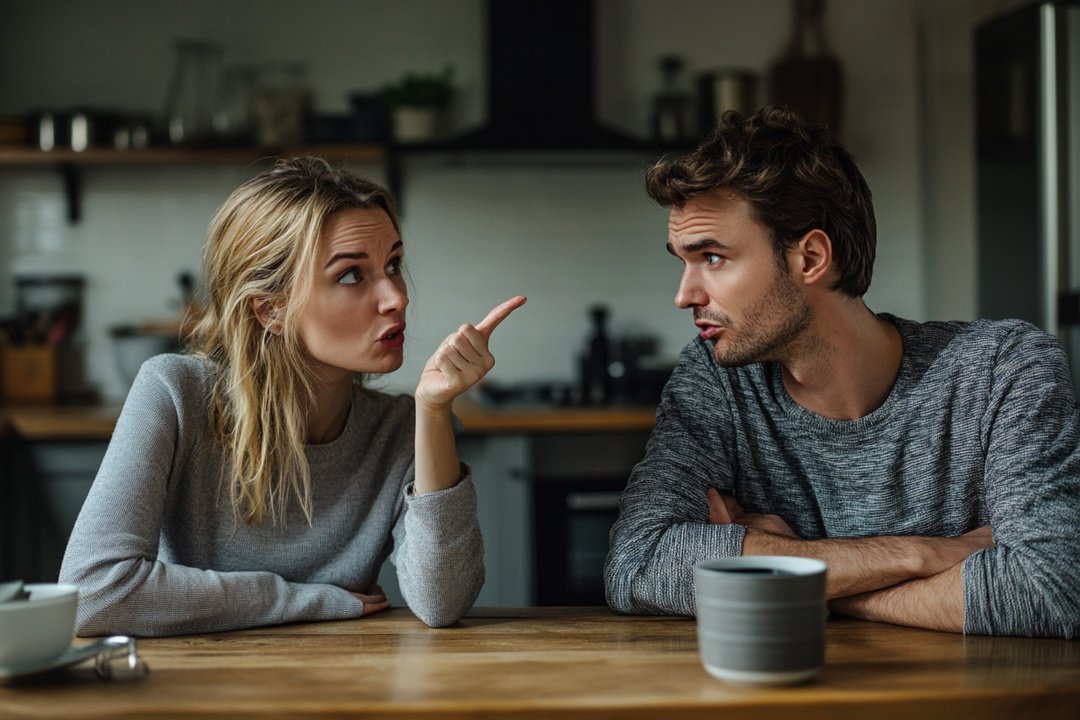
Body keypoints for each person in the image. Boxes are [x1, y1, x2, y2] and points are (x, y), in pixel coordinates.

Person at [604, 106, 1080, 638]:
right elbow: (639, 563)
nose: (684, 295)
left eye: (712, 257)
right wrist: (922, 554)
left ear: (809, 258)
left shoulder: (1002, 369)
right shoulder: (717, 380)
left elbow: (1053, 588)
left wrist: (790, 571)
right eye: (683, 261)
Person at [60, 157, 525, 636]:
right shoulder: (174, 394)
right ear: (270, 309)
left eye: (394, 265)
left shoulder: (402, 429)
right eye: (351, 275)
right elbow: (93, 593)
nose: (396, 297)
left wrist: (432, 412)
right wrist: (309, 600)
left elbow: (442, 602)